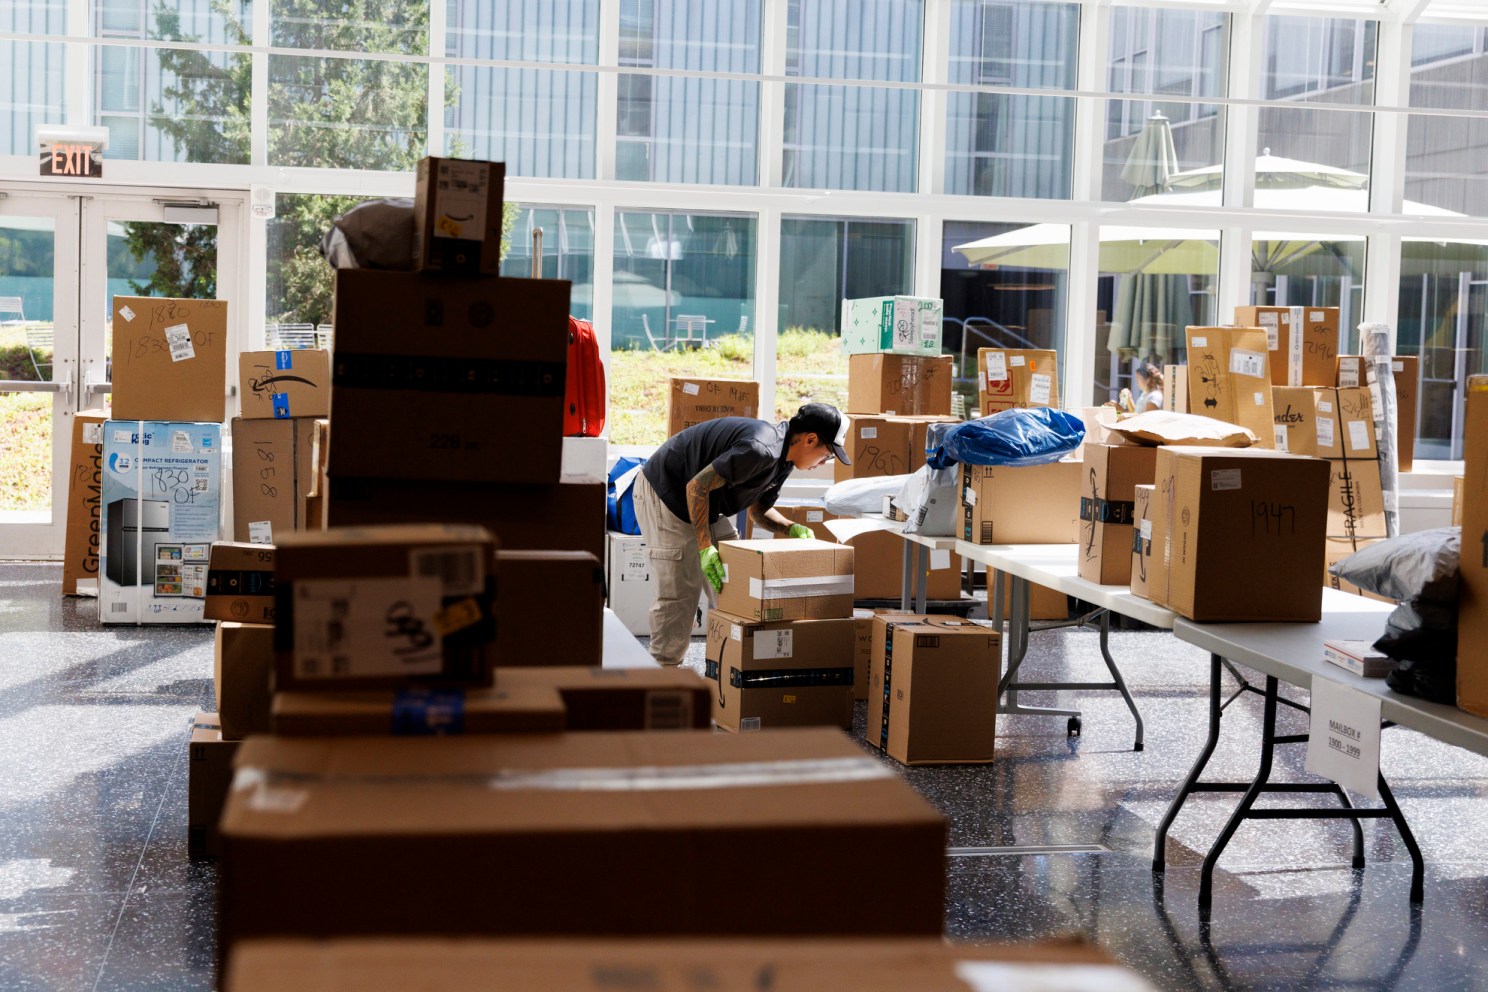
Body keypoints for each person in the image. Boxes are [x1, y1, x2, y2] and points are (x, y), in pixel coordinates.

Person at [631, 402, 851, 667]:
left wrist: (789, 527)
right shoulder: (760, 449)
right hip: (667, 491)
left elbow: (759, 511)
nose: (823, 462)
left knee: (735, 580)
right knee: (680, 590)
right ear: (810, 439)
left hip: (704, 502)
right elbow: (696, 486)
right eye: (827, 454)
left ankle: (738, 667)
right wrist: (704, 546)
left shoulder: (784, 461)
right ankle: (661, 674)